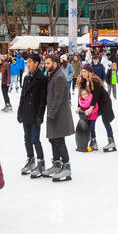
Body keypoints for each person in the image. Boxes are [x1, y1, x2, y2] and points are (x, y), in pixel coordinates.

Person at [44, 52, 76, 181]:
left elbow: (58, 98)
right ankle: (57, 163)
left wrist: (51, 113)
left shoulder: (59, 77)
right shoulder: (52, 75)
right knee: (53, 139)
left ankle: (67, 167)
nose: (45, 65)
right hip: (53, 114)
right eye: (45, 63)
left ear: (55, 64)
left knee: (59, 141)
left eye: (48, 63)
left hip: (59, 115)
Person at [18, 53, 49, 177]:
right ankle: (30, 159)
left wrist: (40, 116)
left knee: (35, 139)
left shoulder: (42, 78)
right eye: (27, 62)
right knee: (27, 138)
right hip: (26, 112)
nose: (28, 64)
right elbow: (23, 96)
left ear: (36, 63)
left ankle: (41, 163)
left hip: (35, 113)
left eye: (30, 62)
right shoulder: (26, 78)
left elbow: (43, 100)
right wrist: (20, 111)